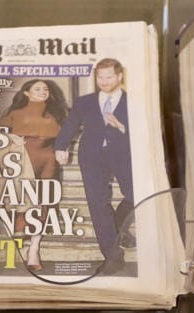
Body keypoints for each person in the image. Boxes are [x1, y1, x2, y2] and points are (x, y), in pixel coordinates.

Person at [54, 58, 133, 274]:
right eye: (100, 77)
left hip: (124, 155)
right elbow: (70, 124)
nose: (104, 81)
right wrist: (61, 146)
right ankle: (112, 257)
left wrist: (123, 127)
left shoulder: (134, 101)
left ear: (119, 77)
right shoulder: (84, 102)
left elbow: (147, 131)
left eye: (109, 76)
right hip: (92, 157)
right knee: (98, 205)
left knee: (136, 196)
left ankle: (117, 229)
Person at [0, 79, 68, 271]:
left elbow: (66, 134)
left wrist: (63, 148)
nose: (43, 91)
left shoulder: (58, 111)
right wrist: (10, 137)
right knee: (21, 199)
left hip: (49, 158)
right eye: (37, 89)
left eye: (45, 89)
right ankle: (19, 240)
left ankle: (34, 250)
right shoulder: (13, 111)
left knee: (44, 200)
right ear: (27, 93)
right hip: (22, 157)